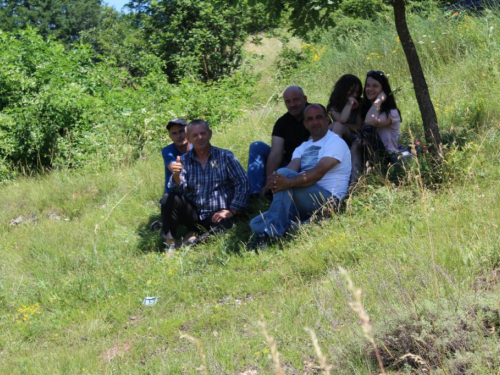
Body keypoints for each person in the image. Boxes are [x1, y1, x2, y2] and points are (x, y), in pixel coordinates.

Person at [249, 104, 351, 247]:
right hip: (304, 200)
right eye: (310, 119)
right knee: (255, 223)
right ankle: (307, 224)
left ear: (327, 120)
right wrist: (276, 179)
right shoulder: (302, 147)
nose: (315, 122)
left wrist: (287, 182)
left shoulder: (335, 142)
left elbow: (318, 173)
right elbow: (291, 168)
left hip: (328, 199)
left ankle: (270, 234)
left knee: (283, 175)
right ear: (305, 124)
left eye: (319, 117)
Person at [164, 120, 251, 249]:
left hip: (217, 215)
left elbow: (243, 183)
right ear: (188, 139)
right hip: (194, 213)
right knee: (169, 198)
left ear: (210, 134)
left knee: (224, 227)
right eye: (195, 135)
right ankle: (169, 242)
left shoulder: (225, 156)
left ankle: (189, 242)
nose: (200, 138)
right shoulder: (184, 160)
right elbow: (178, 189)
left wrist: (232, 210)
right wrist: (176, 175)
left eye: (203, 133)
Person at [247, 86, 310, 198]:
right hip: (288, 163)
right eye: (288, 102)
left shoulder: (315, 115)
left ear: (304, 99)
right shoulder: (282, 123)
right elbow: (276, 154)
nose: (292, 105)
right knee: (256, 146)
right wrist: (269, 181)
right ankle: (256, 193)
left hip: (310, 163)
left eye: (296, 100)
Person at [156, 118, 191, 242]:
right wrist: (177, 169)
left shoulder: (196, 147)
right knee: (168, 197)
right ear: (170, 136)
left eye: (181, 131)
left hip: (195, 197)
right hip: (177, 195)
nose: (179, 136)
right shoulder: (168, 151)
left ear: (188, 131)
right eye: (174, 133)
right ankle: (169, 243)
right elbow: (173, 167)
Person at [326, 74, 364, 186]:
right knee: (337, 126)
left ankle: (354, 183)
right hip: (340, 137)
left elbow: (358, 127)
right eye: (351, 91)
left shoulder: (360, 104)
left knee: (337, 126)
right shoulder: (334, 106)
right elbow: (341, 119)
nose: (355, 95)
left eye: (357, 92)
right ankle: (335, 156)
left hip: (356, 137)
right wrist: (348, 105)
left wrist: (336, 125)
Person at [360, 70, 402, 163]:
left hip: (389, 158)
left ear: (383, 90)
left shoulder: (391, 112)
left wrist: (379, 99)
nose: (370, 89)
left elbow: (369, 122)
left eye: (375, 86)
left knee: (368, 129)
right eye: (367, 85)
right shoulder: (367, 109)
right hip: (371, 157)